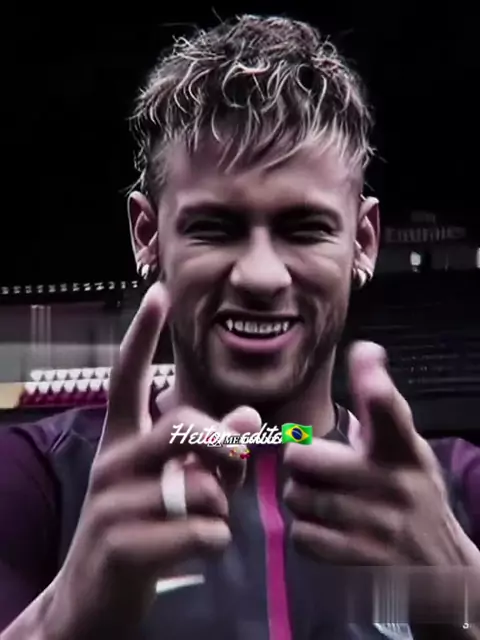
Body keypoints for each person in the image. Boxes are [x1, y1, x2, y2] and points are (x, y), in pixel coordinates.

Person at [1, 14, 480, 640]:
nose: (260, 275)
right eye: (214, 228)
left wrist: (461, 594)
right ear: (148, 235)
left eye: (305, 228)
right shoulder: (34, 478)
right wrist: (62, 618)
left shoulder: (459, 488)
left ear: (363, 241)